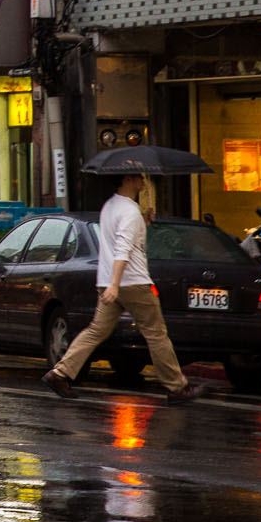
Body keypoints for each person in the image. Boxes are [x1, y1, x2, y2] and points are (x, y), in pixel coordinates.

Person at [43, 173, 203, 404]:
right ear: (127, 179)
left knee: (96, 330)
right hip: (132, 282)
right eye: (138, 176)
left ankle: (60, 373)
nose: (142, 180)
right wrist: (116, 284)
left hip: (107, 280)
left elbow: (123, 240)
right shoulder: (129, 211)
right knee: (156, 334)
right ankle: (177, 387)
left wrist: (143, 222)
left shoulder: (110, 207)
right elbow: (123, 249)